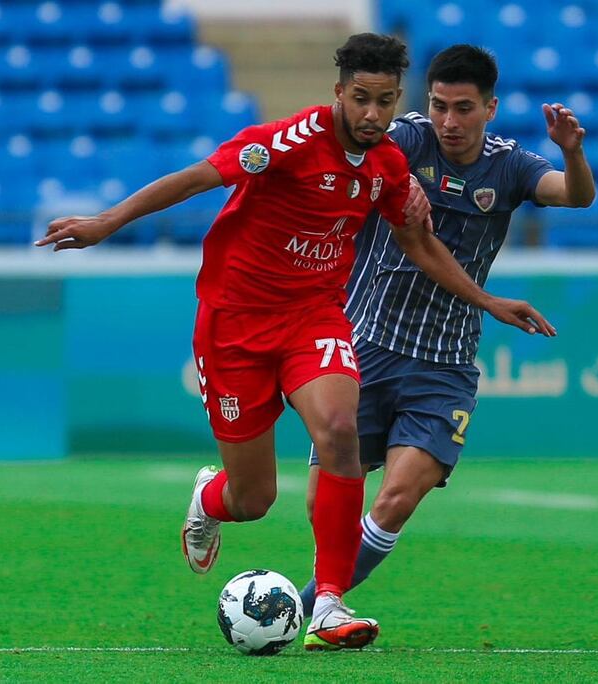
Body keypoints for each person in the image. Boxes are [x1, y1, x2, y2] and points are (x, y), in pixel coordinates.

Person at [36, 33, 534, 652]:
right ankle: (208, 497)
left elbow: (416, 244)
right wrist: (106, 221)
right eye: (361, 99)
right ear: (338, 94)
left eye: (384, 101)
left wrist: (486, 300)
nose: (373, 114)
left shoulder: (387, 165)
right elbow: (197, 178)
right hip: (235, 326)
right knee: (254, 499)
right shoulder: (289, 142)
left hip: (313, 318)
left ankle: (327, 603)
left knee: (340, 429)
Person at [297, 44, 596, 613]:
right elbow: (350, 144)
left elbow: (575, 196)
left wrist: (573, 155)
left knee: (396, 499)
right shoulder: (407, 139)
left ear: (490, 108)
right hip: (365, 344)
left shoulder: (511, 165)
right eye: (439, 106)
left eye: (463, 109)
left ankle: (315, 605)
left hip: (446, 363)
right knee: (322, 505)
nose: (449, 122)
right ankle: (317, 604)